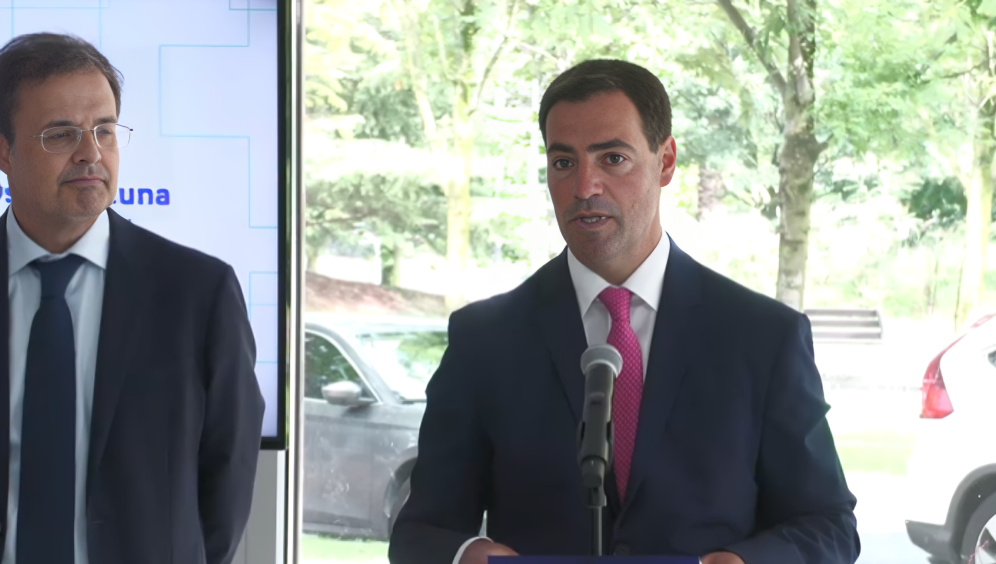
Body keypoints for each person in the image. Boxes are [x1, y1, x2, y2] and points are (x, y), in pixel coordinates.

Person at [388, 59, 859, 564]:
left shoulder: (764, 338)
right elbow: (421, 533)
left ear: (666, 161)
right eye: (563, 162)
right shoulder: (485, 339)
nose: (585, 186)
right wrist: (466, 554)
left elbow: (827, 525)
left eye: (612, 158)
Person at [0, 33, 265, 564]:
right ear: (3, 149)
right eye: (61, 134)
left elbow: (227, 475)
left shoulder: (197, 292)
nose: (91, 153)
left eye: (105, 130)